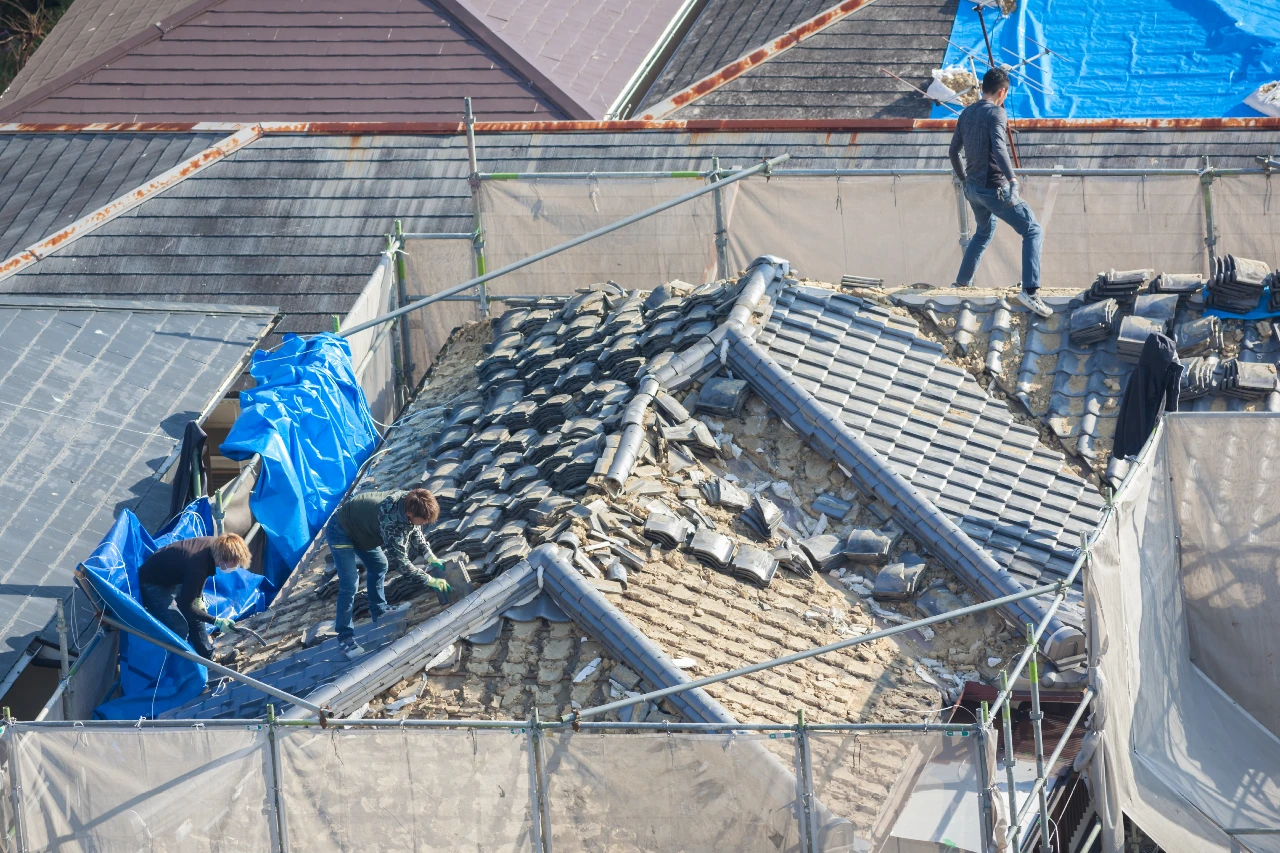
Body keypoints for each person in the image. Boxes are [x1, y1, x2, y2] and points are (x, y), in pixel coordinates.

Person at [948, 67, 1052, 318]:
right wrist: (1012, 178)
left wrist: (964, 180)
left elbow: (953, 152)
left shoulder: (967, 113)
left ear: (982, 88)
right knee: (1032, 230)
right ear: (1002, 92)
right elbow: (998, 146)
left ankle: (961, 284)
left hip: (972, 189)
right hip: (994, 189)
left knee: (983, 232)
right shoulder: (997, 113)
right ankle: (1030, 291)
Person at [326, 488, 449, 658]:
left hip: (363, 530)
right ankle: (345, 638)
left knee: (379, 565)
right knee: (350, 583)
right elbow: (402, 564)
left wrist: (431, 556)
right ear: (409, 513)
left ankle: (379, 609)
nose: (422, 524)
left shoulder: (411, 503)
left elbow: (415, 530)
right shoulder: (391, 522)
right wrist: (429, 580)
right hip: (341, 530)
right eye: (422, 521)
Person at [138, 533, 251, 660]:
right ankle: (180, 671)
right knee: (179, 627)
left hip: (173, 576)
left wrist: (198, 598)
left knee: (197, 614)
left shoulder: (216, 546)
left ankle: (210, 657)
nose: (235, 567)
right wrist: (216, 621)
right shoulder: (196, 567)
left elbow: (205, 572)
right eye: (234, 563)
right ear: (222, 560)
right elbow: (187, 608)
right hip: (152, 583)